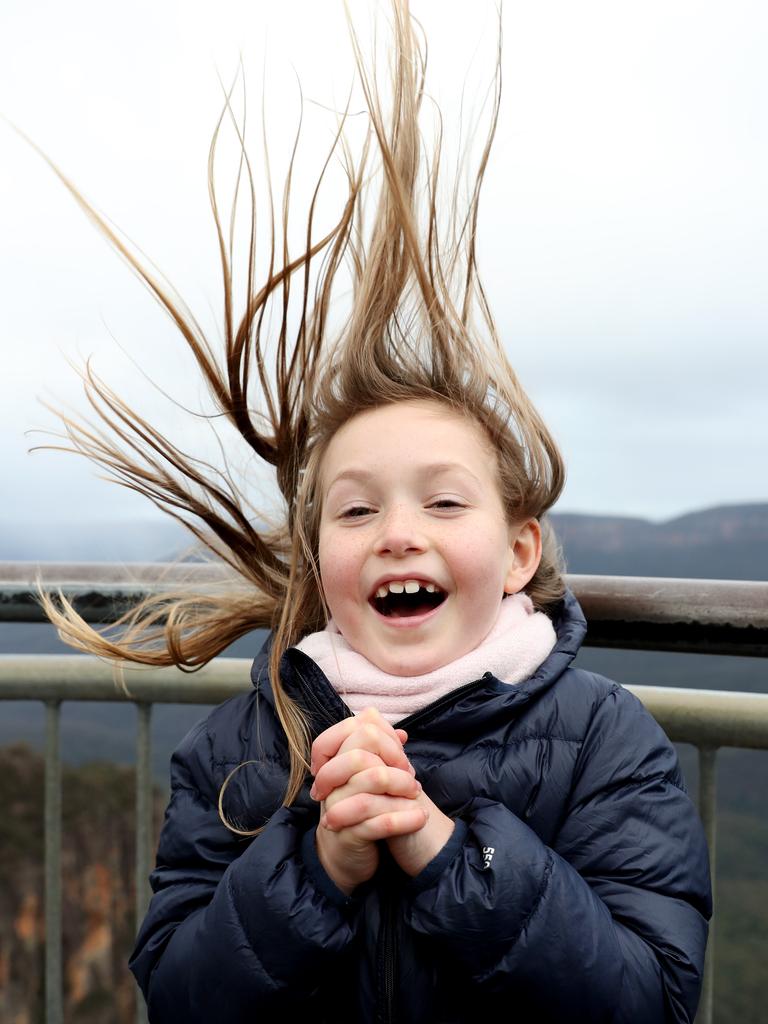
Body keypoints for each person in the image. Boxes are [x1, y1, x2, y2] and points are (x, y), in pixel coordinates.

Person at [42, 2, 711, 1021]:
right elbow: (179, 995)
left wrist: (449, 852)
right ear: (318, 557)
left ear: (519, 549)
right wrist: (320, 862)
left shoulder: (604, 741)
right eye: (356, 512)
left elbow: (650, 999)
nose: (401, 529)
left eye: (445, 499)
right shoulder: (241, 748)